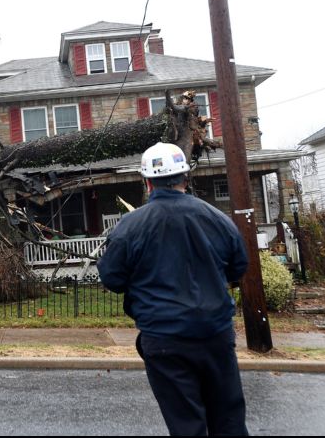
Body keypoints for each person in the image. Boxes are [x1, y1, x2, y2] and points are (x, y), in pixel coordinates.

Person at [98, 142, 249, 436]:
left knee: (186, 425)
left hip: (164, 339)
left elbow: (112, 279)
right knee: (229, 420)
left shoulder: (130, 227)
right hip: (216, 335)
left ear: (147, 182)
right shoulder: (218, 219)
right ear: (185, 176)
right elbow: (237, 268)